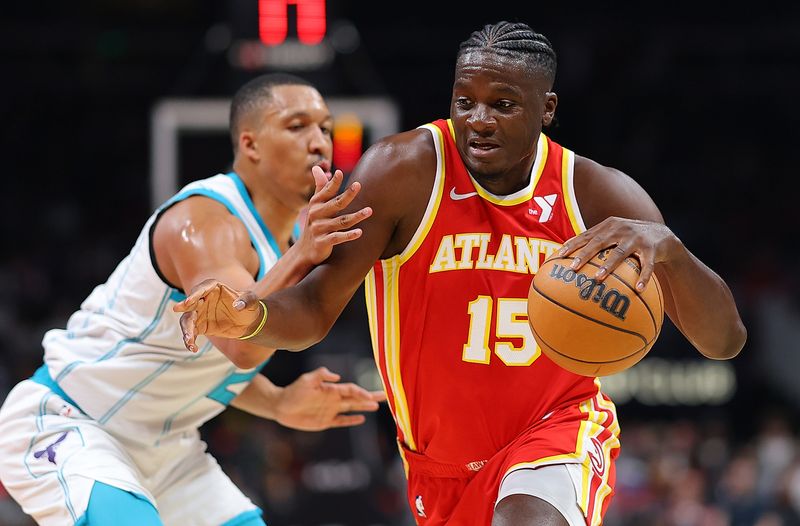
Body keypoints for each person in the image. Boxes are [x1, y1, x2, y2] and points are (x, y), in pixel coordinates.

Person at [176, 22, 748, 526]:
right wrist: (251, 316)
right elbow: (317, 308)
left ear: (546, 109)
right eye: (465, 100)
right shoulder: (402, 171)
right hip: (436, 463)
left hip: (558, 430)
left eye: (503, 104)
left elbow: (723, 341)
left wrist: (669, 248)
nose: (479, 120)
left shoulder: (595, 195)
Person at [0, 73, 386, 526]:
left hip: (168, 449)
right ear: (251, 144)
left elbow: (206, 363)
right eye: (297, 125)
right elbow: (238, 342)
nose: (318, 141)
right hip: (72, 421)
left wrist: (278, 403)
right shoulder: (205, 222)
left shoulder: (297, 242)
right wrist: (301, 259)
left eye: (324, 127)